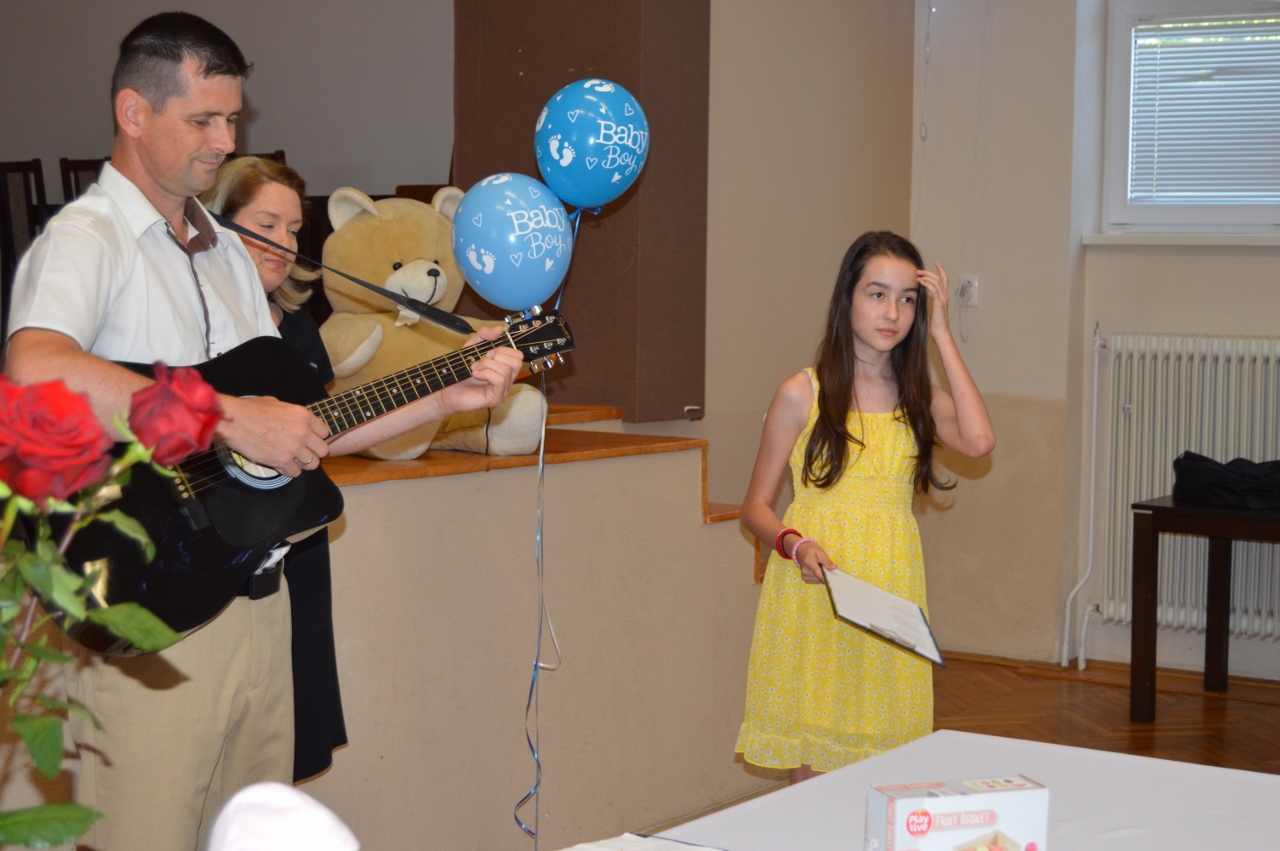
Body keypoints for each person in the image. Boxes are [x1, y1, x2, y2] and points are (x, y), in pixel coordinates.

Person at [3, 13, 521, 851]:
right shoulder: (88, 238)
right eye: (202, 120)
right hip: (148, 616)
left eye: (232, 119)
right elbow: (34, 369)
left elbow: (294, 431)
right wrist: (228, 414)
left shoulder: (223, 253)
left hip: (257, 600)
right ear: (134, 113)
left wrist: (443, 395)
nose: (225, 140)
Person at [735, 231, 995, 784]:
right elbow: (754, 507)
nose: (892, 313)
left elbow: (980, 441)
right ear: (847, 298)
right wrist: (795, 545)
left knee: (889, 761)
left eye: (908, 299)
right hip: (815, 588)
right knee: (815, 763)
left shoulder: (917, 397)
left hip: (889, 589)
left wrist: (942, 334)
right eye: (877, 294)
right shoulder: (801, 393)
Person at [201, 156, 343, 783]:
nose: (284, 243)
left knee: (273, 752)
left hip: (289, 546)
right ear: (217, 223)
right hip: (211, 543)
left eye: (294, 230)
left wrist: (444, 392)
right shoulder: (184, 319)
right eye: (266, 225)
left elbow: (329, 427)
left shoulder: (299, 329)